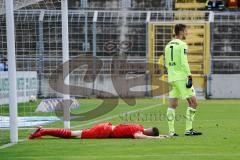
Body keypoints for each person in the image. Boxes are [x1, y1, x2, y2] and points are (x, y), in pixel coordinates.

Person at [164, 24, 202, 137]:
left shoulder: (168, 45)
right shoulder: (182, 45)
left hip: (172, 78)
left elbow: (166, 63)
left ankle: (171, 131)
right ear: (181, 31)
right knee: (194, 102)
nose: (187, 33)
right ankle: (188, 130)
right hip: (181, 77)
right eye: (186, 31)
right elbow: (184, 62)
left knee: (172, 104)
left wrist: (172, 74)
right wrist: (189, 76)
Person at [29, 122, 169, 140]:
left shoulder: (139, 125)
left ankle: (43, 131)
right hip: (103, 132)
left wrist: (162, 135)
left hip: (105, 128)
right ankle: (43, 131)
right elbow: (138, 137)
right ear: (148, 133)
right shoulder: (138, 131)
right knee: (72, 135)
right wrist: (157, 138)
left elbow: (139, 134)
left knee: (74, 134)